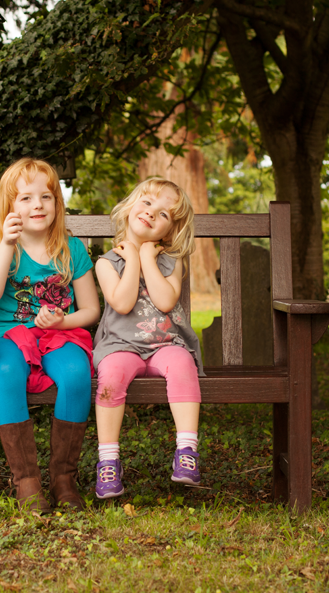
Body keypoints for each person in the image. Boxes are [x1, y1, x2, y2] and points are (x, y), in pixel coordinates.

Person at [0, 158, 100, 513]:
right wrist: (6, 244)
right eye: (26, 198)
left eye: (46, 197)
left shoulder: (70, 249)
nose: (38, 205)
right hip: (9, 335)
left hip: (59, 336)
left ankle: (63, 479)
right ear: (10, 206)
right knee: (5, 373)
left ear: (57, 203)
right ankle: (27, 482)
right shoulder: (0, 245)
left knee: (76, 374)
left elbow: (91, 310)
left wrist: (62, 321)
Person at [92, 177, 204, 499]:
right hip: (120, 346)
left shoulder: (171, 262)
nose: (152, 212)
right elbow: (123, 302)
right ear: (131, 207)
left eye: (164, 214)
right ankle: (108, 460)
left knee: (182, 363)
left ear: (168, 232)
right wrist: (131, 261)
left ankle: (187, 451)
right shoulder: (106, 263)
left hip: (164, 344)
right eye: (147, 202)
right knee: (111, 377)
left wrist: (145, 258)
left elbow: (165, 301)